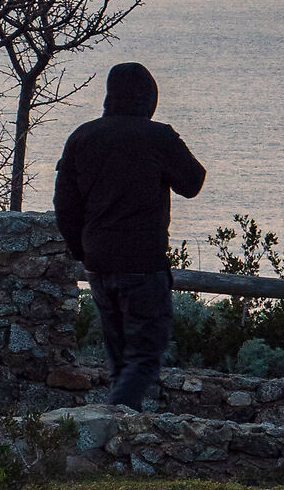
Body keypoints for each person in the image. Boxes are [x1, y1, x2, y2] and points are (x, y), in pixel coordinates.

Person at [54, 62, 206, 410]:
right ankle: (114, 424)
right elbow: (193, 182)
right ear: (150, 98)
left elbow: (65, 206)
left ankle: (116, 433)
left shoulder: (82, 137)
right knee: (145, 356)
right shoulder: (158, 137)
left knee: (120, 358)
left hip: (98, 264)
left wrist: (83, 251)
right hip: (143, 263)